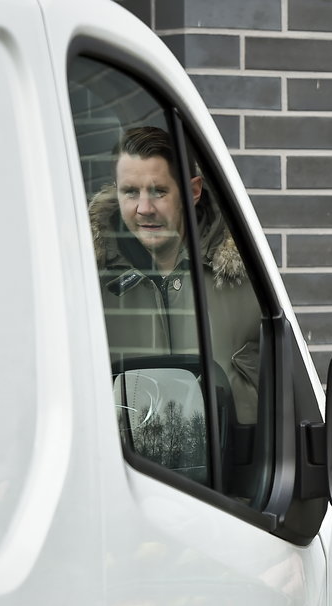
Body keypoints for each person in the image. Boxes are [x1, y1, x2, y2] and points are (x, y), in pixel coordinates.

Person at [90, 126, 261, 425]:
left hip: (233, 469)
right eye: (130, 192)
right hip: (121, 468)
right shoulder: (87, 284)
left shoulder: (249, 276)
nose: (144, 208)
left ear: (193, 191)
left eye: (159, 191)